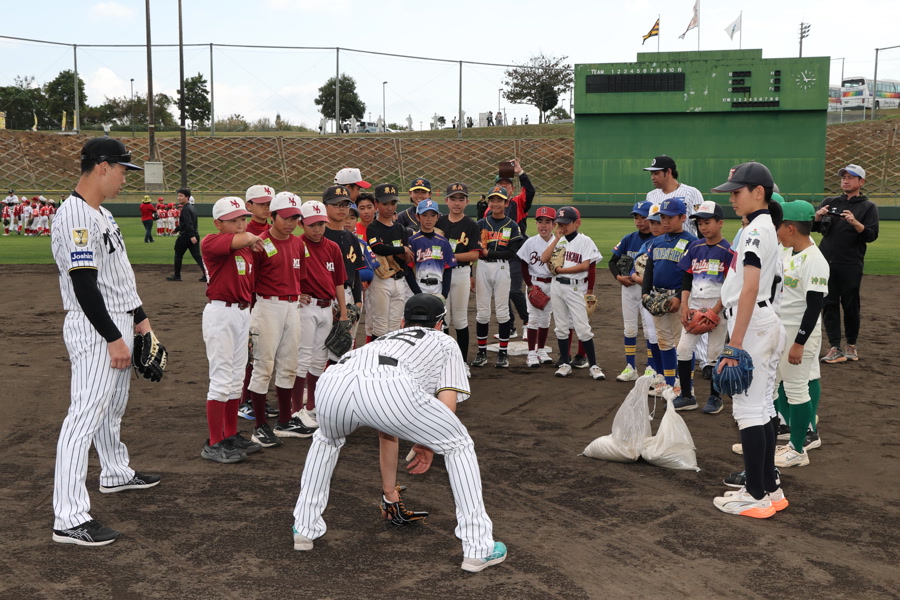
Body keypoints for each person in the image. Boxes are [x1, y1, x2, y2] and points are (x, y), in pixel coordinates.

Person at [291, 294, 508, 574]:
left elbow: (387, 428)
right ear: (440, 324)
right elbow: (446, 406)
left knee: (326, 440)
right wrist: (428, 443)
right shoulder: (443, 341)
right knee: (459, 445)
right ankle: (478, 548)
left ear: (403, 322)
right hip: (389, 385)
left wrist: (390, 490)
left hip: (334, 381)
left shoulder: (384, 339)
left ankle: (304, 528)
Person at [50, 137, 161, 546]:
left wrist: (142, 323)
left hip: (117, 321)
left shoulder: (103, 214)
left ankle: (114, 472)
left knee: (111, 408)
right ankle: (69, 517)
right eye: (121, 170)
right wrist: (113, 337)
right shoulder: (75, 216)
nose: (124, 179)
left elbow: (118, 279)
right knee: (83, 418)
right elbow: (85, 286)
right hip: (96, 327)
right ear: (101, 167)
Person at [710, 162, 787, 519]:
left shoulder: (756, 229)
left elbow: (750, 287)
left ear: (759, 192)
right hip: (763, 320)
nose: (732, 198)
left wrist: (734, 343)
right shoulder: (764, 225)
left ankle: (755, 495)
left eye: (737, 192)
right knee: (764, 407)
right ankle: (770, 488)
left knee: (749, 411)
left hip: (753, 323)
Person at [199, 197, 265, 463]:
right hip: (221, 313)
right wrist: (251, 237)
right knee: (221, 380)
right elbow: (245, 238)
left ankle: (229, 434)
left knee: (237, 378)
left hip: (241, 313)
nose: (240, 224)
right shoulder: (211, 241)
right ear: (218, 223)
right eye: (233, 220)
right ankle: (214, 442)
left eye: (243, 219)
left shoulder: (246, 248)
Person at [247, 192, 311, 447]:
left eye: (295, 218)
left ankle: (284, 420)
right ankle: (260, 426)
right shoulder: (260, 242)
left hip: (292, 306)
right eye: (286, 217)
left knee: (289, 364)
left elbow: (299, 277)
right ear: (272, 216)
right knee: (264, 366)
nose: (291, 223)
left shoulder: (298, 244)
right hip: (267, 306)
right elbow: (249, 281)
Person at [772, 200, 829, 467]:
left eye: (779, 226)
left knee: (796, 389)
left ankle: (797, 449)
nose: (777, 231)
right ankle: (772, 441)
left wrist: (799, 343)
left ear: (790, 228)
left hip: (799, 332)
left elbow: (815, 306)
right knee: (773, 385)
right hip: (781, 330)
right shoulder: (788, 253)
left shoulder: (815, 260)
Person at [813, 164, 879, 364]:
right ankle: (835, 347)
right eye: (844, 177)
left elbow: (871, 235)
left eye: (851, 177)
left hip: (850, 262)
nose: (846, 181)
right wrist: (817, 217)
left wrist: (855, 222)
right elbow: (816, 229)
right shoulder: (830, 202)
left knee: (850, 304)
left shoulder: (868, 207)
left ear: (861, 181)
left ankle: (851, 344)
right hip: (826, 261)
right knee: (829, 303)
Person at [292, 199, 348, 428]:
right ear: (301, 224)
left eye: (321, 224)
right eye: (312, 224)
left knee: (319, 359)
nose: (317, 229)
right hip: (306, 307)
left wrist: (343, 311)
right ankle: (296, 409)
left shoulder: (332, 247)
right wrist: (295, 294)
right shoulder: (296, 244)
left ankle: (312, 406)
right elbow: (285, 274)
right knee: (303, 358)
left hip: (327, 307)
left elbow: (339, 282)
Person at [674, 200, 733, 412]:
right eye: (700, 223)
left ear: (720, 223)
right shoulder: (694, 247)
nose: (703, 227)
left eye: (707, 222)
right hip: (695, 306)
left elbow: (731, 285)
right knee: (683, 349)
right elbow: (687, 278)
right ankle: (686, 395)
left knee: (714, 353)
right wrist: (684, 306)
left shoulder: (728, 251)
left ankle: (715, 398)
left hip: (718, 309)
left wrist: (715, 311)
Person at [640, 198, 698, 397]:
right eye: (662, 217)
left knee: (682, 344)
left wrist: (679, 298)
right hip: (658, 296)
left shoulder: (691, 242)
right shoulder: (656, 241)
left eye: (670, 217)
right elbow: (649, 270)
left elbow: (690, 275)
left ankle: (686, 385)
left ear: (683, 217)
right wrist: (645, 293)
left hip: (678, 298)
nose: (665, 221)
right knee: (664, 341)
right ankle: (669, 382)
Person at [540, 207, 605, 380]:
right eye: (559, 224)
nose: (562, 227)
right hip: (557, 287)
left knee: (583, 328)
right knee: (561, 327)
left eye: (565, 224)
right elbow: (544, 258)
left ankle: (594, 366)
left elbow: (585, 266)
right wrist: (556, 239)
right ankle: (565, 363)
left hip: (575, 288)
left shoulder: (585, 241)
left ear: (577, 223)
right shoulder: (557, 240)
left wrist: (561, 270)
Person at [471, 185, 523, 369]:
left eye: (499, 200)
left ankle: (503, 353)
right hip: (483, 267)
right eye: (492, 200)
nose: (495, 203)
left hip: (502, 267)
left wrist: (489, 253)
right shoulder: (481, 224)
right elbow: (473, 249)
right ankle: (481, 352)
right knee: (482, 312)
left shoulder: (512, 225)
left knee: (502, 311)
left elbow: (513, 252)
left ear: (506, 203)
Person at [609, 201, 656, 381]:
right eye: (636, 217)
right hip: (628, 289)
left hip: (648, 291)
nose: (639, 221)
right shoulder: (629, 238)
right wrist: (619, 277)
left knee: (650, 331)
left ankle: (651, 367)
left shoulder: (657, 240)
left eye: (643, 217)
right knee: (629, 329)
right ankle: (630, 367)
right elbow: (612, 261)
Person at [488, 158, 535, 339]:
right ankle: (509, 327)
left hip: (517, 252)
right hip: (498, 254)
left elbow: (530, 191)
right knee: (502, 292)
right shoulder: (489, 210)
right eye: (500, 184)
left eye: (506, 184)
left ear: (512, 189)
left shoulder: (518, 202)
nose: (503, 187)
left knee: (514, 290)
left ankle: (528, 322)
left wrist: (520, 173)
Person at [436, 183, 482, 366]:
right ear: (446, 201)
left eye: (461, 199)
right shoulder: (439, 222)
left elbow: (474, 254)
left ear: (467, 202)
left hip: (461, 272)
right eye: (453, 198)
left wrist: (450, 256)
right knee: (444, 318)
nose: (457, 203)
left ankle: (462, 363)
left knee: (461, 318)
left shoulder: (471, 225)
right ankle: (446, 362)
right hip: (441, 274)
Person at [366, 183, 414, 339]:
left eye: (393, 203)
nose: (389, 207)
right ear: (376, 204)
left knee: (394, 327)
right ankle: (377, 354)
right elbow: (377, 248)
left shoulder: (400, 228)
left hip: (399, 280)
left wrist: (401, 251)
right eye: (385, 203)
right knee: (380, 326)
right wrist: (401, 250)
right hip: (381, 280)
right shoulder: (373, 227)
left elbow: (408, 256)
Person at [517, 206, 557, 367]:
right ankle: (531, 353)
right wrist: (530, 286)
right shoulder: (530, 242)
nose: (543, 225)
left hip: (552, 284)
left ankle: (541, 350)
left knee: (546, 319)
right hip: (535, 283)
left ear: (554, 225)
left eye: (547, 221)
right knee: (533, 319)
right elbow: (523, 265)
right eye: (540, 221)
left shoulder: (558, 243)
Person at [405, 199, 456, 299]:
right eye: (425, 215)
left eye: (432, 215)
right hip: (419, 285)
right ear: (417, 217)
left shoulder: (443, 241)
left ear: (437, 217)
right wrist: (417, 292)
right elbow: (408, 269)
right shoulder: (412, 241)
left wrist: (444, 294)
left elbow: (448, 269)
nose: (429, 219)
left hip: (438, 287)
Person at [643, 155, 705, 237]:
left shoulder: (691, 193)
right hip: (659, 244)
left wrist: (701, 244)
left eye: (656, 173)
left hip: (686, 243)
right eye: (652, 174)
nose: (652, 177)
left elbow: (700, 222)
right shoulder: (651, 195)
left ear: (668, 172)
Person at [166, 188, 205, 282]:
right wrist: (177, 229)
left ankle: (177, 275)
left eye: (181, 196)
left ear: (187, 197)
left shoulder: (186, 209)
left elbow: (188, 223)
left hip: (186, 236)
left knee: (178, 255)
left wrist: (191, 235)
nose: (178, 198)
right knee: (197, 256)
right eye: (178, 195)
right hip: (194, 234)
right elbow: (185, 223)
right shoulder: (191, 207)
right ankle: (207, 274)